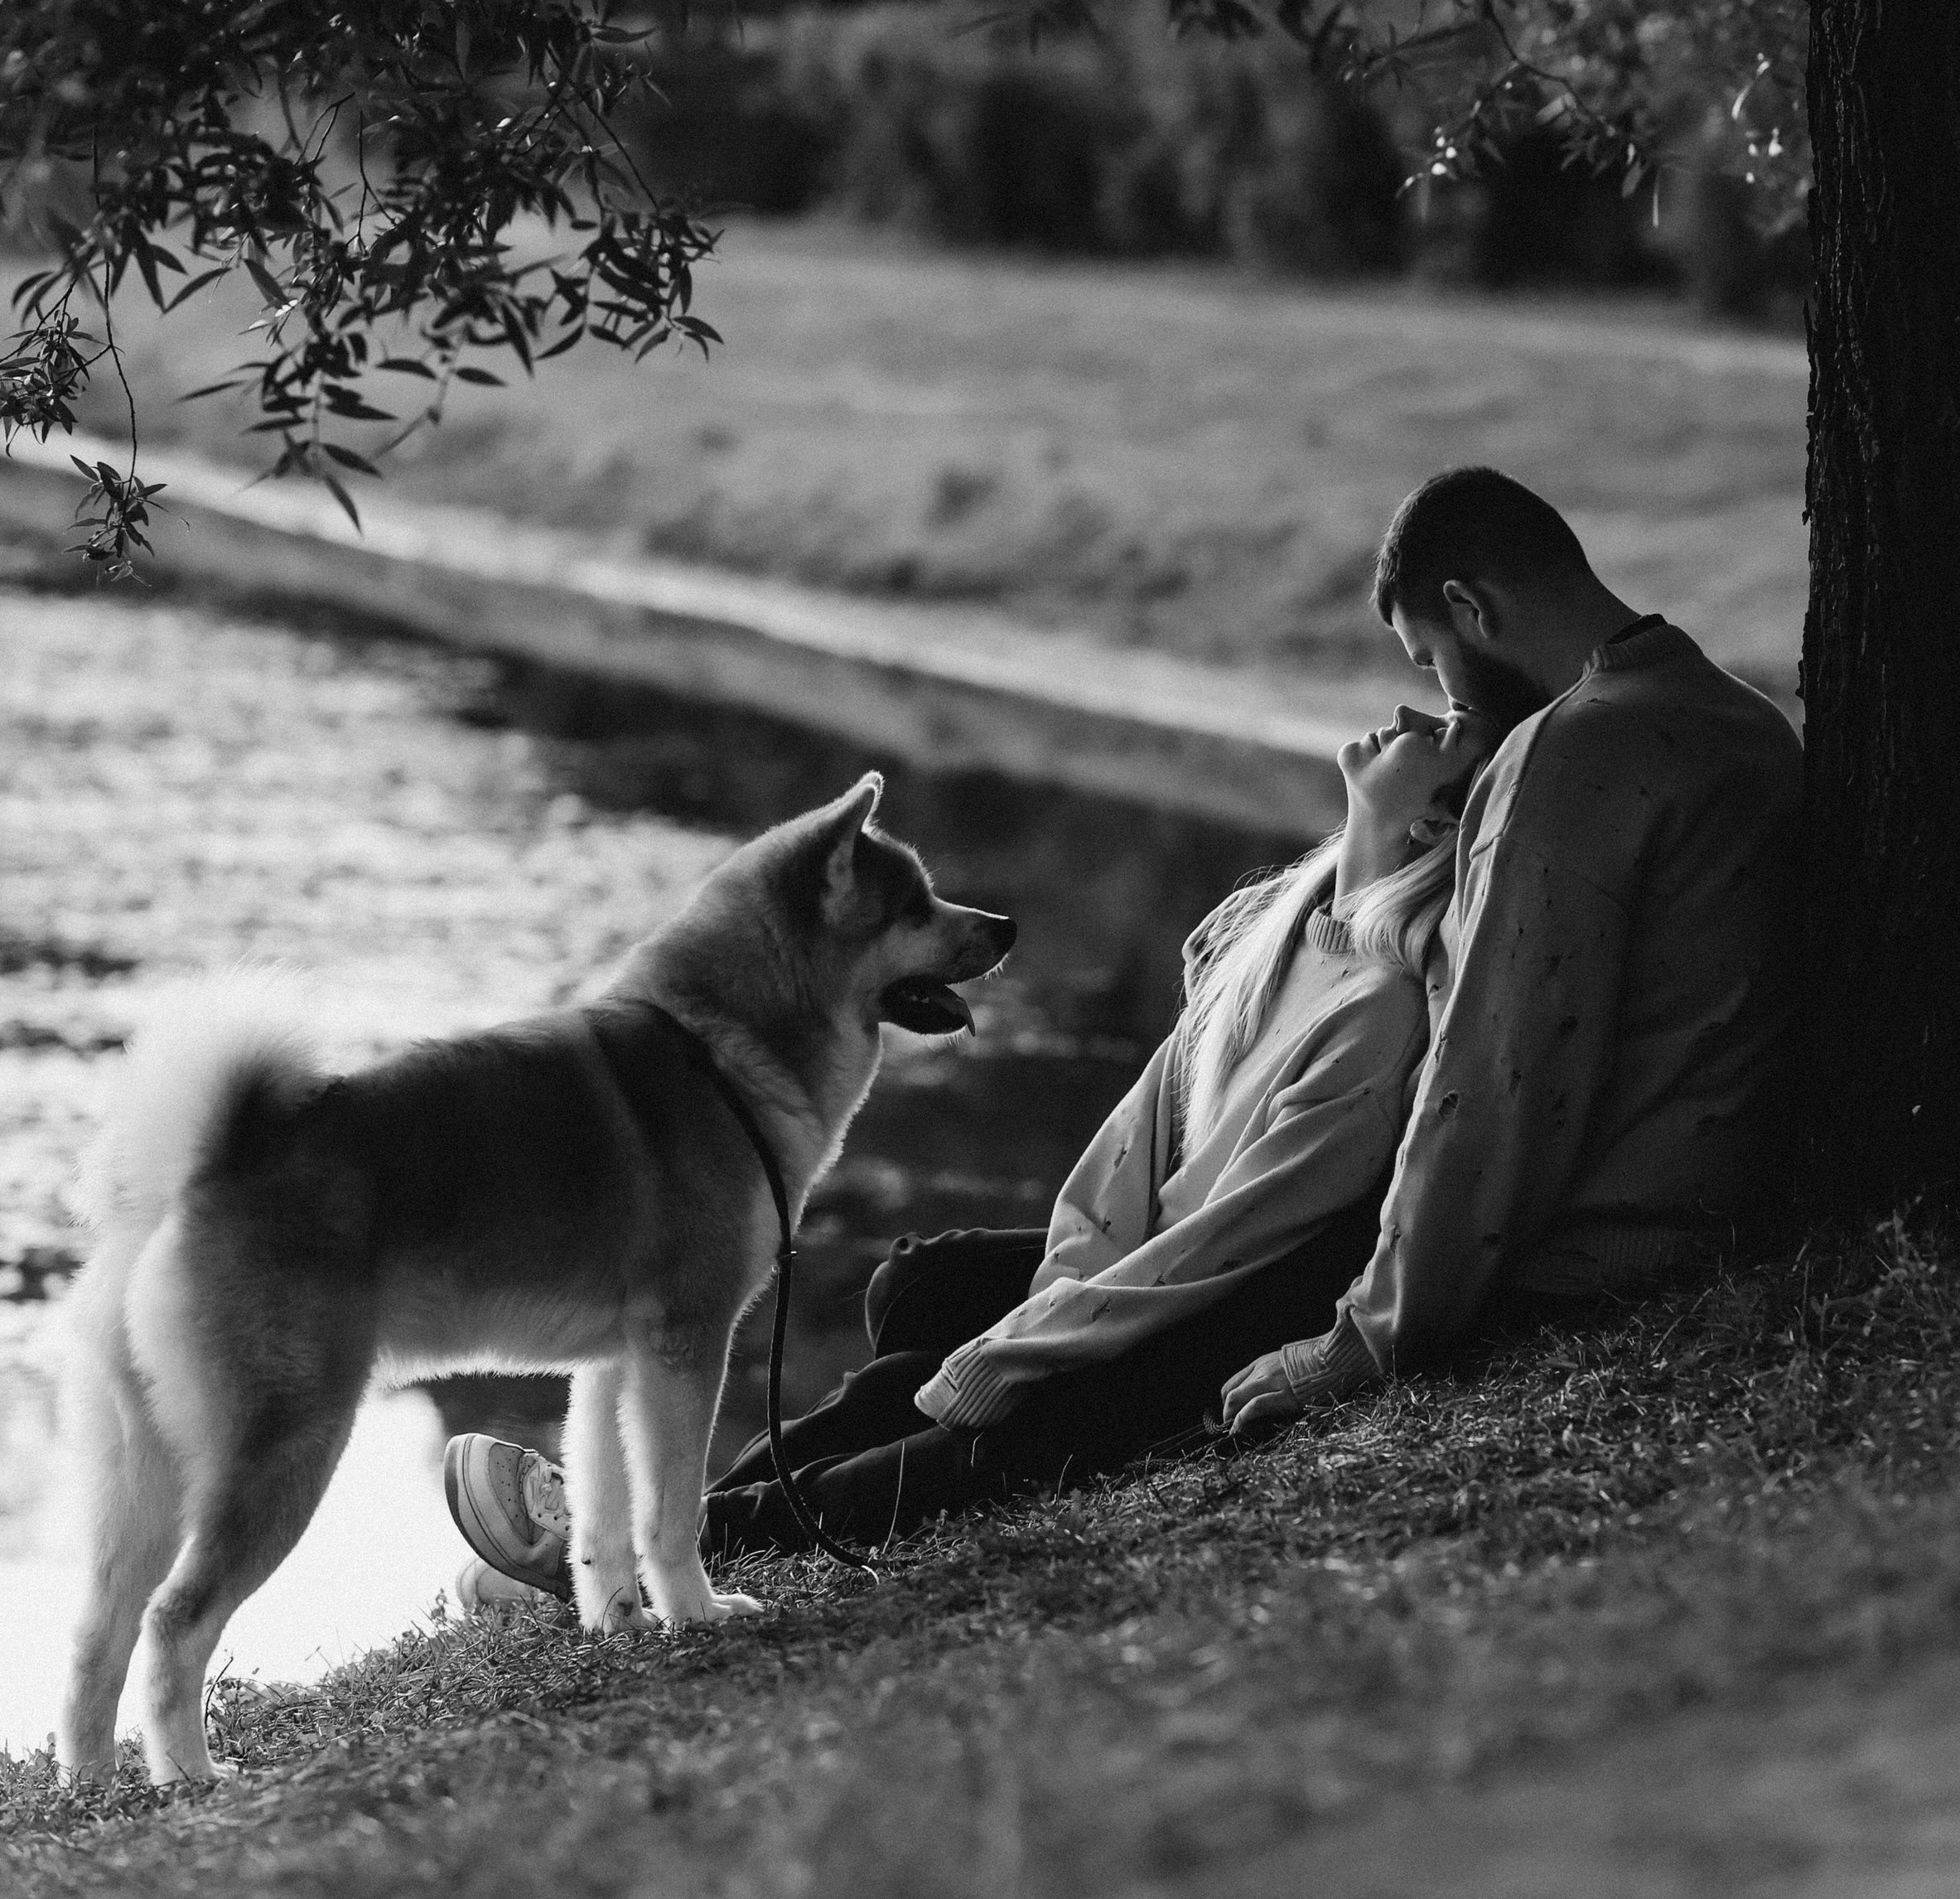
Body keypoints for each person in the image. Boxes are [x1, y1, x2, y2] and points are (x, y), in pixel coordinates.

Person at [446, 699, 1499, 1597]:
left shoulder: (1376, 1004)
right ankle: (635, 1542)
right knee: (919, 1308)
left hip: (1210, 1304)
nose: (1408, 715)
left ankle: (645, 1547)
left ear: (1443, 812)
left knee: (997, 1424)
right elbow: (1141, 1140)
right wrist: (1062, 1283)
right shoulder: (1286, 930)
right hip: (1149, 1261)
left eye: (1449, 727)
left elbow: (1234, 1234)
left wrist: (1039, 1343)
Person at [1219, 464, 1804, 1438]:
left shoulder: (1568, 753)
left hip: (1580, 1261)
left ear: (1467, 606)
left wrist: (1360, 1344)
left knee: (996, 1320)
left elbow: (1493, 1082)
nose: (1441, 698)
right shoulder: (1739, 715)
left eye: (1426, 658)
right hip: (1693, 1204)